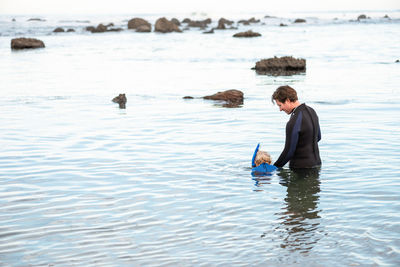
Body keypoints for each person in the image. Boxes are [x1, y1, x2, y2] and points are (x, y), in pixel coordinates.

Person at [271, 85, 321, 168]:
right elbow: (318, 137)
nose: (280, 109)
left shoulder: (294, 121)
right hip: (317, 163)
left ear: (287, 100)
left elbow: (289, 152)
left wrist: (274, 168)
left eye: (280, 105)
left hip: (301, 168)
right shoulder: (312, 111)